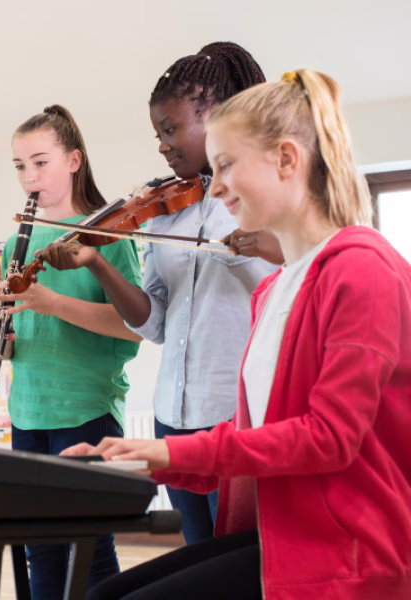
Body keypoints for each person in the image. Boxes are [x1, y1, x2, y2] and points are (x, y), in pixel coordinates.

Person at [64, 68, 411, 600]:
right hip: (280, 534)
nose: (215, 185)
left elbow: (330, 439)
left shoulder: (362, 268)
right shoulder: (273, 293)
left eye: (227, 165)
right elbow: (253, 455)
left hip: (348, 551)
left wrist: (167, 456)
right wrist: (133, 462)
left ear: (287, 160)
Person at [40, 43, 280, 545]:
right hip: (174, 414)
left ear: (216, 119)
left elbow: (300, 277)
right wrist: (99, 263)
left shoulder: (264, 196)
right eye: (158, 134)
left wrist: (258, 247)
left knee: (242, 562)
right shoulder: (167, 211)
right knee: (198, 558)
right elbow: (154, 324)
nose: (162, 145)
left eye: (171, 129)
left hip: (237, 416)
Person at [0, 105, 143, 599]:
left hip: (85, 407)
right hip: (29, 410)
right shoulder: (16, 242)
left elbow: (134, 328)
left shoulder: (110, 232)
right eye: (20, 166)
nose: (29, 177)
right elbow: (26, 335)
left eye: (40, 162)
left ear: (73, 161)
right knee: (38, 547)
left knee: (90, 546)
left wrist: (53, 303)